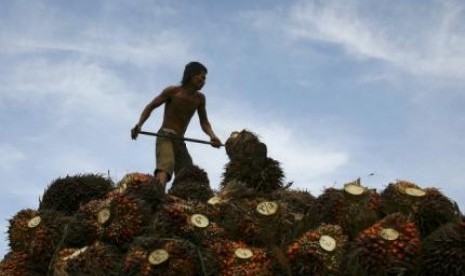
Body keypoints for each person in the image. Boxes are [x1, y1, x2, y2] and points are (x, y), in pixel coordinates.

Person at [131, 61, 222, 192]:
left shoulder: (200, 99)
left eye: (205, 79)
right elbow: (151, 107)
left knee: (188, 173)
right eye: (201, 77)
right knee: (166, 164)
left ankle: (184, 199)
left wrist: (212, 136)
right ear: (191, 75)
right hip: (165, 135)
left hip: (180, 140)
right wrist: (139, 125)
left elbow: (204, 122)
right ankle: (158, 195)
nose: (203, 81)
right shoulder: (172, 92)